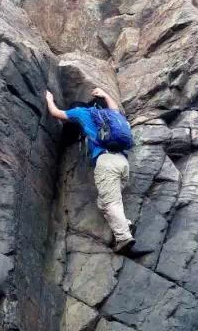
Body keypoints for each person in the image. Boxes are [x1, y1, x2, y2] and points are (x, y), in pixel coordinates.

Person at [46, 87, 135, 253]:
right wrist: (104, 94)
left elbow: (56, 113)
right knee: (104, 202)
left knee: (110, 202)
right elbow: (114, 105)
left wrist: (49, 99)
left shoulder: (81, 112)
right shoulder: (112, 115)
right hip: (123, 163)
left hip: (106, 162)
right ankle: (126, 223)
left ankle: (123, 238)